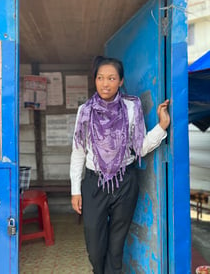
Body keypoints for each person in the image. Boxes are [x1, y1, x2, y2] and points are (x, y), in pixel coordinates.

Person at [70, 56, 170, 274]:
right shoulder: (85, 111)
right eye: (100, 78)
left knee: (116, 246)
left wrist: (162, 127)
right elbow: (78, 152)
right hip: (94, 182)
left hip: (125, 181)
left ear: (121, 81)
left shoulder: (131, 107)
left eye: (111, 78)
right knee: (95, 247)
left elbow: (140, 148)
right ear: (95, 80)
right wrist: (76, 190)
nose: (105, 83)